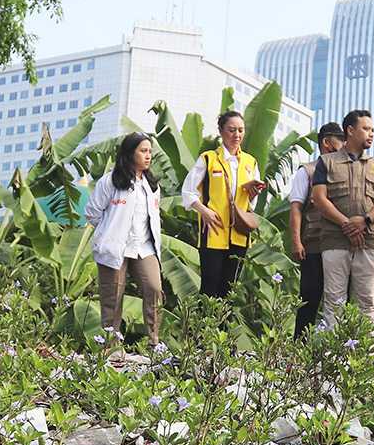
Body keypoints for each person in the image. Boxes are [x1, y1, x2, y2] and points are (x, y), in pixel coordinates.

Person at [311, 110, 374, 327]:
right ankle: (332, 355)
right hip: (334, 238)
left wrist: (364, 222)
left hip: (370, 238)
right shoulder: (325, 162)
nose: (371, 133)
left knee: (368, 300)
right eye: (366, 128)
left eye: (373, 129)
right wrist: (347, 224)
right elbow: (319, 198)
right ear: (350, 130)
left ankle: (369, 357)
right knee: (334, 299)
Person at [85, 132, 163, 345]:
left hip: (144, 247)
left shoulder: (152, 185)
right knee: (113, 298)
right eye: (143, 151)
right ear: (130, 153)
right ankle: (111, 346)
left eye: (150, 152)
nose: (148, 156)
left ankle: (154, 342)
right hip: (115, 248)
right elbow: (92, 212)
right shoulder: (111, 181)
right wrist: (109, 232)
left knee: (154, 289)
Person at [181, 111, 264, 298]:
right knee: (209, 286)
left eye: (241, 130)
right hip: (213, 231)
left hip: (239, 234)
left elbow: (252, 202)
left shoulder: (251, 162)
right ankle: (203, 327)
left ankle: (222, 328)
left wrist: (252, 192)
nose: (237, 135)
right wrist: (204, 211)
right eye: (232, 130)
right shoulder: (208, 159)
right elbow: (188, 191)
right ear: (221, 131)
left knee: (229, 290)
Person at [287, 122, 346, 338]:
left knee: (338, 300)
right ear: (327, 143)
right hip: (314, 244)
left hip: (340, 244)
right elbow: (296, 208)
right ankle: (299, 349)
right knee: (309, 299)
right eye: (342, 141)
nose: (345, 145)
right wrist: (296, 241)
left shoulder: (346, 171)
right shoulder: (307, 171)